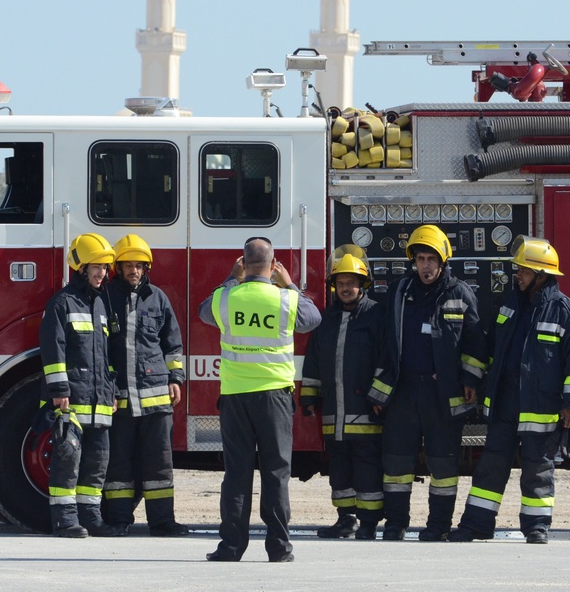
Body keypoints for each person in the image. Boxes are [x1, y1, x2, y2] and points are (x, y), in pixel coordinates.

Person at [449, 236, 570, 544]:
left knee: (537, 468)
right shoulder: (510, 304)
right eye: (519, 270)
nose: (518, 275)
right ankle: (477, 524)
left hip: (541, 406)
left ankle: (537, 526)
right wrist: (474, 379)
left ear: (541, 275)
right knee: (491, 465)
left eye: (524, 271)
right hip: (504, 402)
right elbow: (492, 348)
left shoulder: (565, 313)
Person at [199, 236, 321, 562]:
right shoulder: (285, 300)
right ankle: (279, 548)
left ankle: (231, 547)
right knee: (276, 472)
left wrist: (230, 279)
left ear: (242, 262)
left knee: (237, 473)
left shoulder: (227, 298)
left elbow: (203, 312)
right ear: (273, 264)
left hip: (235, 396)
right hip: (274, 397)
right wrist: (291, 284)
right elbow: (313, 319)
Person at [369, 225, 487, 541]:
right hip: (403, 391)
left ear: (443, 261)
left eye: (431, 259)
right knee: (396, 465)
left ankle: (438, 527)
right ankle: (395, 525)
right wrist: (380, 392)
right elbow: (386, 345)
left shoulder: (460, 293)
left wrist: (470, 379)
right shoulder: (398, 292)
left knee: (444, 465)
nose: (425, 266)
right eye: (420, 259)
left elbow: (475, 343)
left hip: (442, 393)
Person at [38, 233, 125, 538]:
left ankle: (91, 518)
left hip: (100, 399)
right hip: (72, 398)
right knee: (67, 458)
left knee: (96, 462)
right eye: (96, 267)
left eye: (105, 267)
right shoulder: (62, 303)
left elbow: (107, 355)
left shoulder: (101, 304)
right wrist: (59, 391)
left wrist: (113, 390)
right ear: (81, 268)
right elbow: (53, 350)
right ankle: (64, 520)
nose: (102, 273)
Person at [103, 234, 188, 537]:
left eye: (139, 265)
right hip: (119, 399)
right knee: (119, 466)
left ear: (146, 267)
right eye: (128, 265)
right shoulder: (106, 298)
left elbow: (173, 344)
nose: (134, 271)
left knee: (159, 466)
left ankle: (163, 522)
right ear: (118, 266)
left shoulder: (158, 298)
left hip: (156, 399)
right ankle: (118, 520)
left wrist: (176, 378)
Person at [301, 251, 385, 540]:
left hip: (365, 409)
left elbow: (388, 360)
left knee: (367, 468)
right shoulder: (327, 319)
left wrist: (379, 397)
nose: (346, 288)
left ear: (364, 285)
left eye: (352, 282)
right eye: (341, 283)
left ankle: (370, 522)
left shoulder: (377, 316)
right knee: (339, 468)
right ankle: (345, 519)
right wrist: (309, 395)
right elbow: (313, 360)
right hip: (333, 412)